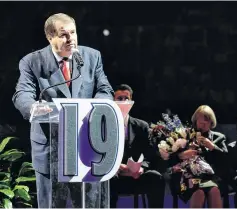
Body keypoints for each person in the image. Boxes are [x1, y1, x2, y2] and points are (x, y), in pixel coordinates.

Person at [12, 13, 114, 208]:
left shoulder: (91, 57)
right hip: (51, 150)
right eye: (63, 34)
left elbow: (105, 90)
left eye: (73, 33)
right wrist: (35, 108)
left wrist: (95, 107)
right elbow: (22, 94)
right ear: (50, 37)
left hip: (85, 147)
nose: (71, 39)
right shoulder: (32, 62)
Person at [109, 84, 165, 208]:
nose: (123, 102)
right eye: (119, 98)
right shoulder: (104, 125)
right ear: (112, 101)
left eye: (126, 98)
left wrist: (140, 168)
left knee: (156, 178)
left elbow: (149, 154)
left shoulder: (142, 126)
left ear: (131, 101)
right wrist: (117, 166)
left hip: (136, 176)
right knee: (109, 179)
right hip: (115, 175)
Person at [168, 105, 227, 208]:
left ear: (211, 123)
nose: (203, 126)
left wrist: (212, 147)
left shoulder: (219, 137)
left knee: (214, 191)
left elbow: (226, 160)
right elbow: (168, 159)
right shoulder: (184, 135)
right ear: (195, 121)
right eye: (200, 122)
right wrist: (181, 155)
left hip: (211, 177)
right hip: (187, 177)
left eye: (206, 123)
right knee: (198, 193)